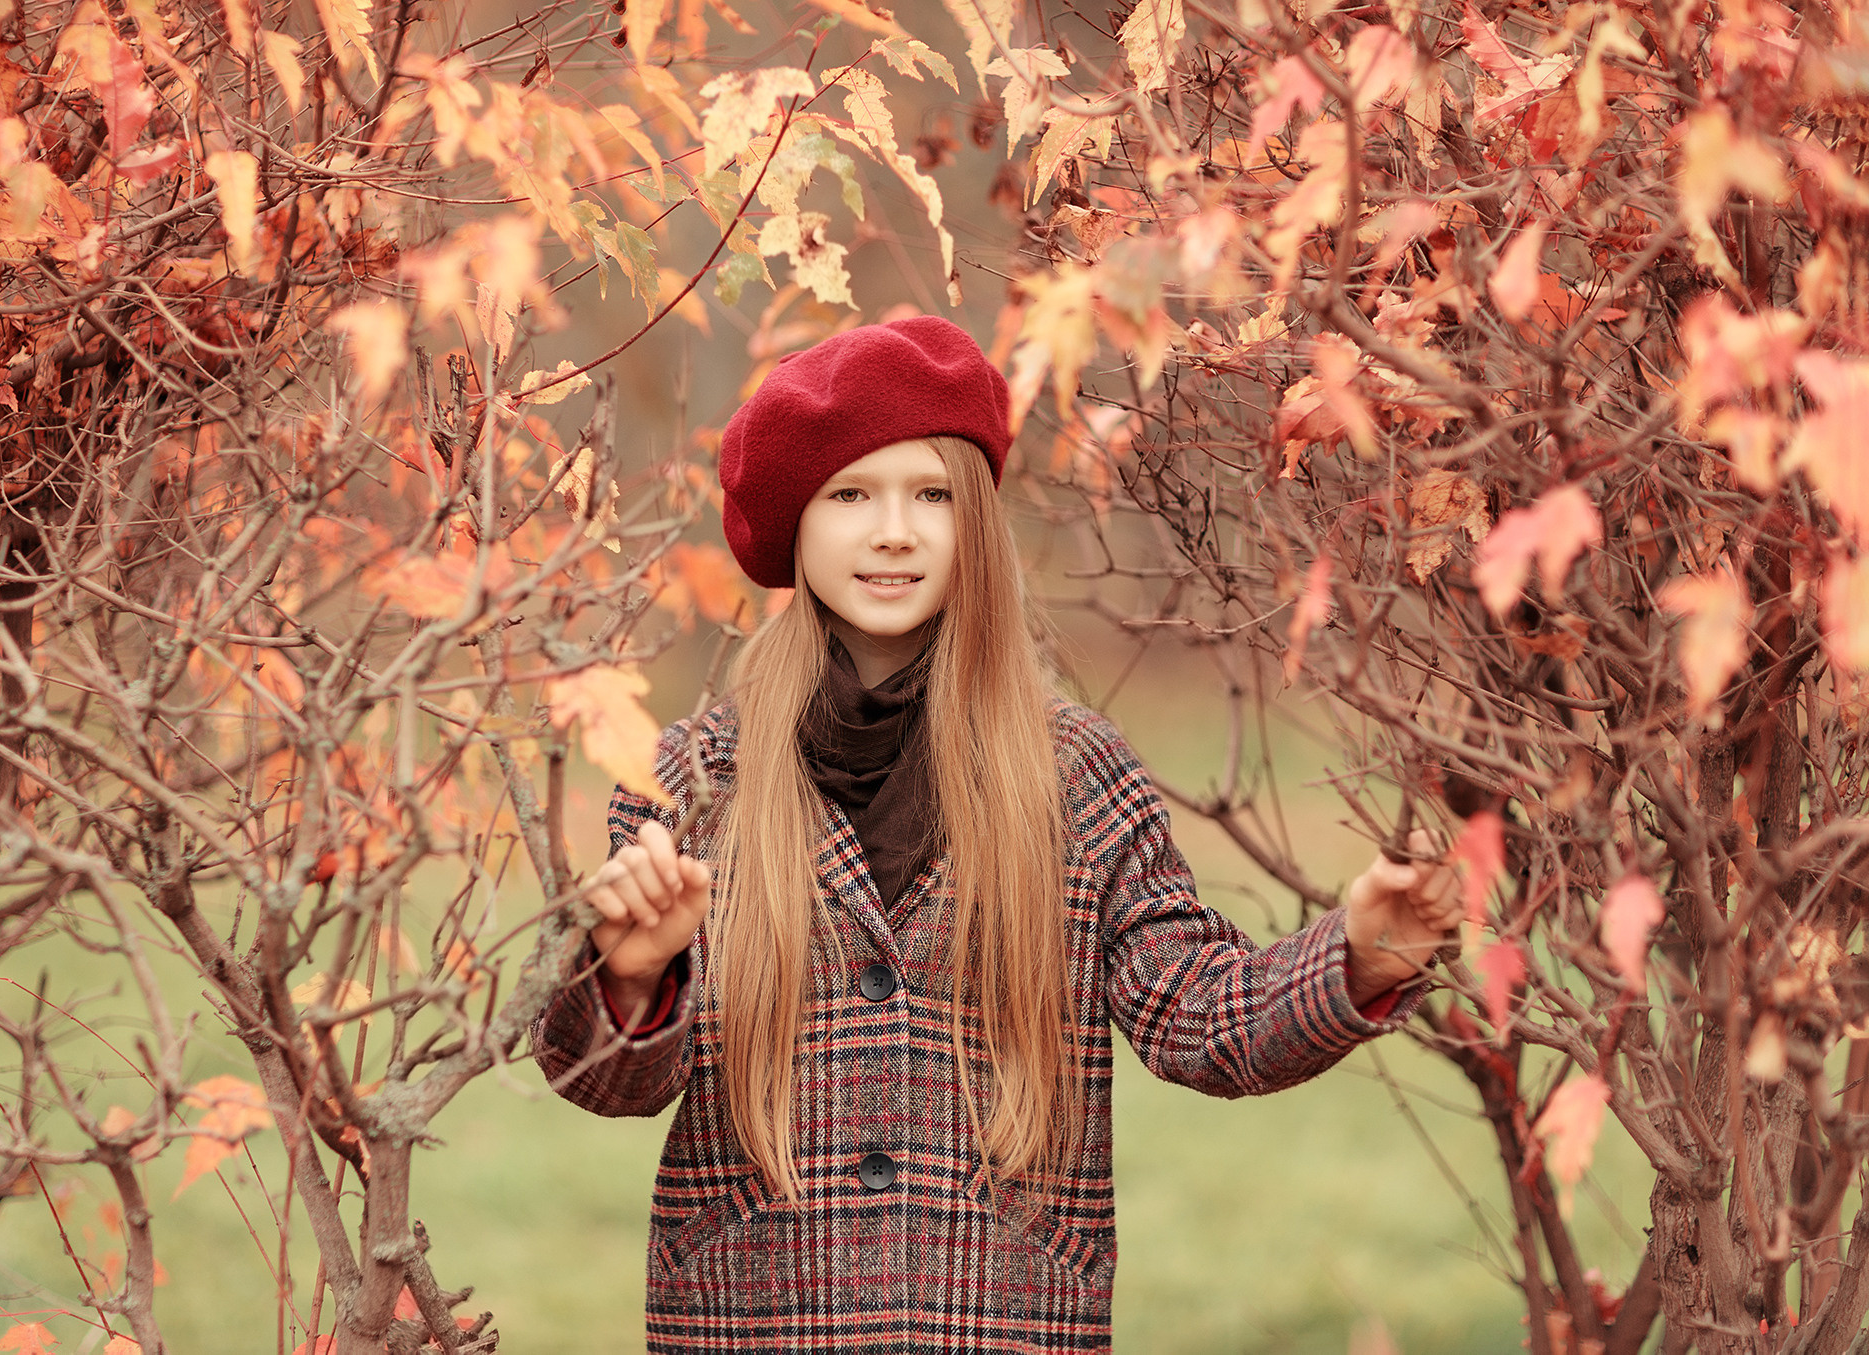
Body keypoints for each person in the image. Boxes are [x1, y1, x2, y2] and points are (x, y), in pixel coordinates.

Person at [534, 316, 1461, 1352]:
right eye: (850, 495)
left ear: (973, 521)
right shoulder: (694, 777)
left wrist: (1357, 955)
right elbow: (603, 1084)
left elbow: (1194, 1014)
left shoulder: (1073, 771)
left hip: (1002, 1317)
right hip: (755, 1319)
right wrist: (628, 980)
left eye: (930, 495)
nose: (893, 531)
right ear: (794, 523)